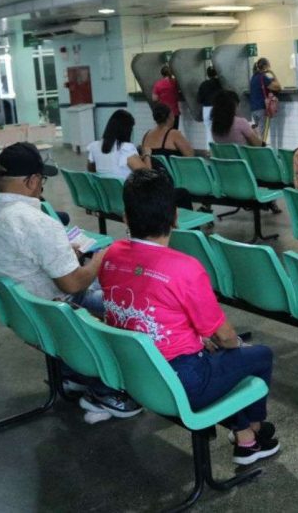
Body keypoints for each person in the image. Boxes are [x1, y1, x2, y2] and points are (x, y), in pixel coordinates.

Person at [99, 170, 280, 465]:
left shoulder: (112, 253)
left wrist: (199, 340)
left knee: (217, 359)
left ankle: (245, 435)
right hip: (182, 382)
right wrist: (232, 346)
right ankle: (255, 432)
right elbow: (223, 335)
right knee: (257, 356)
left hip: (134, 370)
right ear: (175, 217)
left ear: (126, 218)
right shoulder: (185, 268)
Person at [0, 142, 136, 421]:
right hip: (54, 312)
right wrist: (100, 259)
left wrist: (61, 255)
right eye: (41, 179)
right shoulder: (36, 222)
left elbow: (22, 260)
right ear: (31, 180)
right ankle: (106, 389)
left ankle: (72, 374)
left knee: (98, 293)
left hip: (23, 312)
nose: (41, 186)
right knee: (127, 301)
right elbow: (73, 285)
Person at [87, 109, 151, 178]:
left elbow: (92, 171)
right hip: (123, 188)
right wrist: (147, 154)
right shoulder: (126, 148)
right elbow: (148, 177)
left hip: (103, 188)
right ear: (127, 131)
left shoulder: (94, 146)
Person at [249, 58, 281, 138]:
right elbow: (278, 87)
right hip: (262, 109)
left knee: (258, 133)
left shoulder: (254, 77)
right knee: (262, 135)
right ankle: (261, 149)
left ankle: (259, 148)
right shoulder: (263, 77)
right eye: (269, 65)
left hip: (254, 109)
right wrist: (272, 73)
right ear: (265, 66)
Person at [197, 66, 222, 147]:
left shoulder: (203, 84)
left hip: (206, 109)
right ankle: (219, 150)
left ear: (207, 74)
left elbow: (199, 99)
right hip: (218, 108)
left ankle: (209, 150)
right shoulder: (220, 83)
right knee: (219, 130)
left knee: (208, 131)